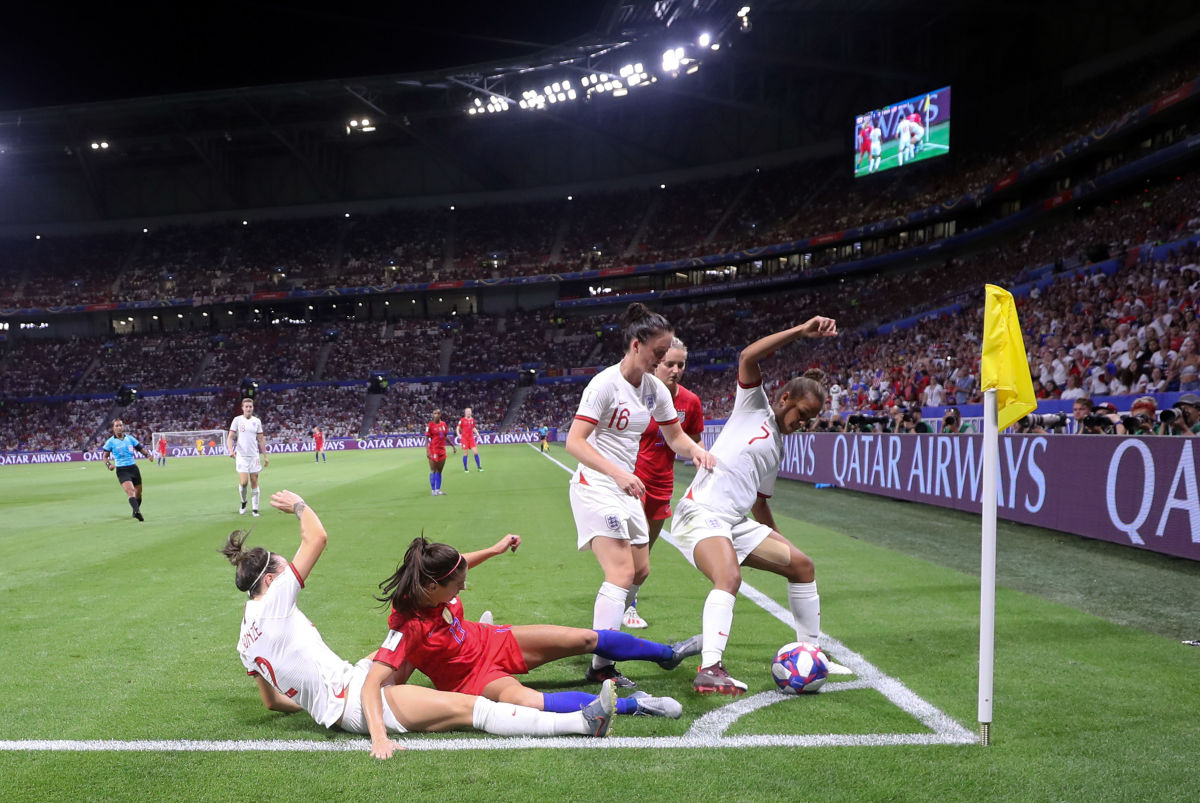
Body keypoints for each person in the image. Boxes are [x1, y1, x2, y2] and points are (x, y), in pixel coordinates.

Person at [225, 491, 616, 761]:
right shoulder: (275, 601)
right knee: (472, 709)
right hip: (355, 698)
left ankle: (462, 639)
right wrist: (298, 505)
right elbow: (317, 537)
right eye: (283, 566)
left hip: (347, 681)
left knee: (404, 640)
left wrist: (317, 703)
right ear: (271, 581)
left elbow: (272, 701)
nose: (289, 570)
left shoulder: (245, 637)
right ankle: (582, 723)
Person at [363, 534, 696, 749]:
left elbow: (459, 563)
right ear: (433, 587)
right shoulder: (407, 626)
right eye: (457, 586)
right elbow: (372, 684)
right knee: (529, 702)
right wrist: (379, 737)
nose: (463, 589)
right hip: (472, 679)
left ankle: (667, 654)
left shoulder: (434, 575)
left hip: (492, 640)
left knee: (582, 638)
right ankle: (638, 704)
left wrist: (494, 550)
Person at [670, 316, 850, 695]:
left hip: (732, 523)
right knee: (729, 577)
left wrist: (778, 540)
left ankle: (811, 652)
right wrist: (800, 332)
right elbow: (748, 355)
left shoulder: (778, 448)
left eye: (810, 420)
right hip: (700, 514)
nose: (803, 423)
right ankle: (710, 669)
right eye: (801, 414)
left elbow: (760, 504)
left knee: (801, 565)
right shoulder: (753, 407)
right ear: (785, 399)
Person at [565, 303, 716, 688]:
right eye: (659, 353)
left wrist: (696, 451)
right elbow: (574, 443)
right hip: (597, 486)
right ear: (636, 346)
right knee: (621, 572)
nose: (664, 361)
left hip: (627, 490)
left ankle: (604, 643)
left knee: (641, 570)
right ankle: (601, 665)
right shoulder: (604, 385)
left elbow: (675, 436)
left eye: (667, 354)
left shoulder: (653, 390)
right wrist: (618, 473)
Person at [625, 336, 705, 630]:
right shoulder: (635, 395)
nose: (675, 369)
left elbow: (693, 440)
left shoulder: (690, 402)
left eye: (680, 365)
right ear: (657, 364)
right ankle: (627, 607)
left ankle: (625, 599)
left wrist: (698, 456)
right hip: (633, 482)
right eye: (669, 363)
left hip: (663, 484)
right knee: (638, 546)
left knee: (646, 550)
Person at [102, 419, 152, 521]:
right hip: (122, 470)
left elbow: (139, 448)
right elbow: (105, 457)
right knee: (131, 491)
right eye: (117, 426)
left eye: (120, 425)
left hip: (133, 468)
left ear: (123, 427)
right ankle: (138, 512)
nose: (119, 427)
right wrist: (108, 465)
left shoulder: (130, 439)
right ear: (113, 428)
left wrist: (147, 455)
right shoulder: (110, 442)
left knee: (139, 493)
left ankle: (135, 511)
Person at [226, 398, 269, 516]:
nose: (249, 408)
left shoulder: (257, 421)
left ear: (253, 408)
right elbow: (230, 437)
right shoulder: (237, 420)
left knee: (254, 481)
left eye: (250, 406)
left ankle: (255, 509)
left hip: (254, 456)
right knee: (244, 482)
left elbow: (261, 439)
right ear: (242, 408)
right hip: (241, 456)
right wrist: (231, 450)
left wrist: (265, 456)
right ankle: (244, 502)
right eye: (247, 407)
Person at [425, 409, 457, 496]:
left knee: (439, 471)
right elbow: (426, 438)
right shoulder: (430, 425)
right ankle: (433, 490)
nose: (436, 415)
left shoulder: (443, 424)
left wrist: (452, 445)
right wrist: (427, 450)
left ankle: (438, 489)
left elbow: (445, 436)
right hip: (433, 450)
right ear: (433, 415)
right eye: (435, 413)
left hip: (442, 450)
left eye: (438, 413)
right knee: (433, 470)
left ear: (440, 415)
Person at [457, 407, 483, 472]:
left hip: (471, 438)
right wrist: (458, 434)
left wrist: (477, 433)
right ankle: (466, 468)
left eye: (469, 411)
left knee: (475, 452)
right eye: (467, 411)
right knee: (465, 454)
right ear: (465, 413)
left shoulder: (472, 420)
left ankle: (479, 467)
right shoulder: (462, 420)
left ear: (471, 412)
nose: (469, 413)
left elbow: (473, 428)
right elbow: (457, 428)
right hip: (464, 439)